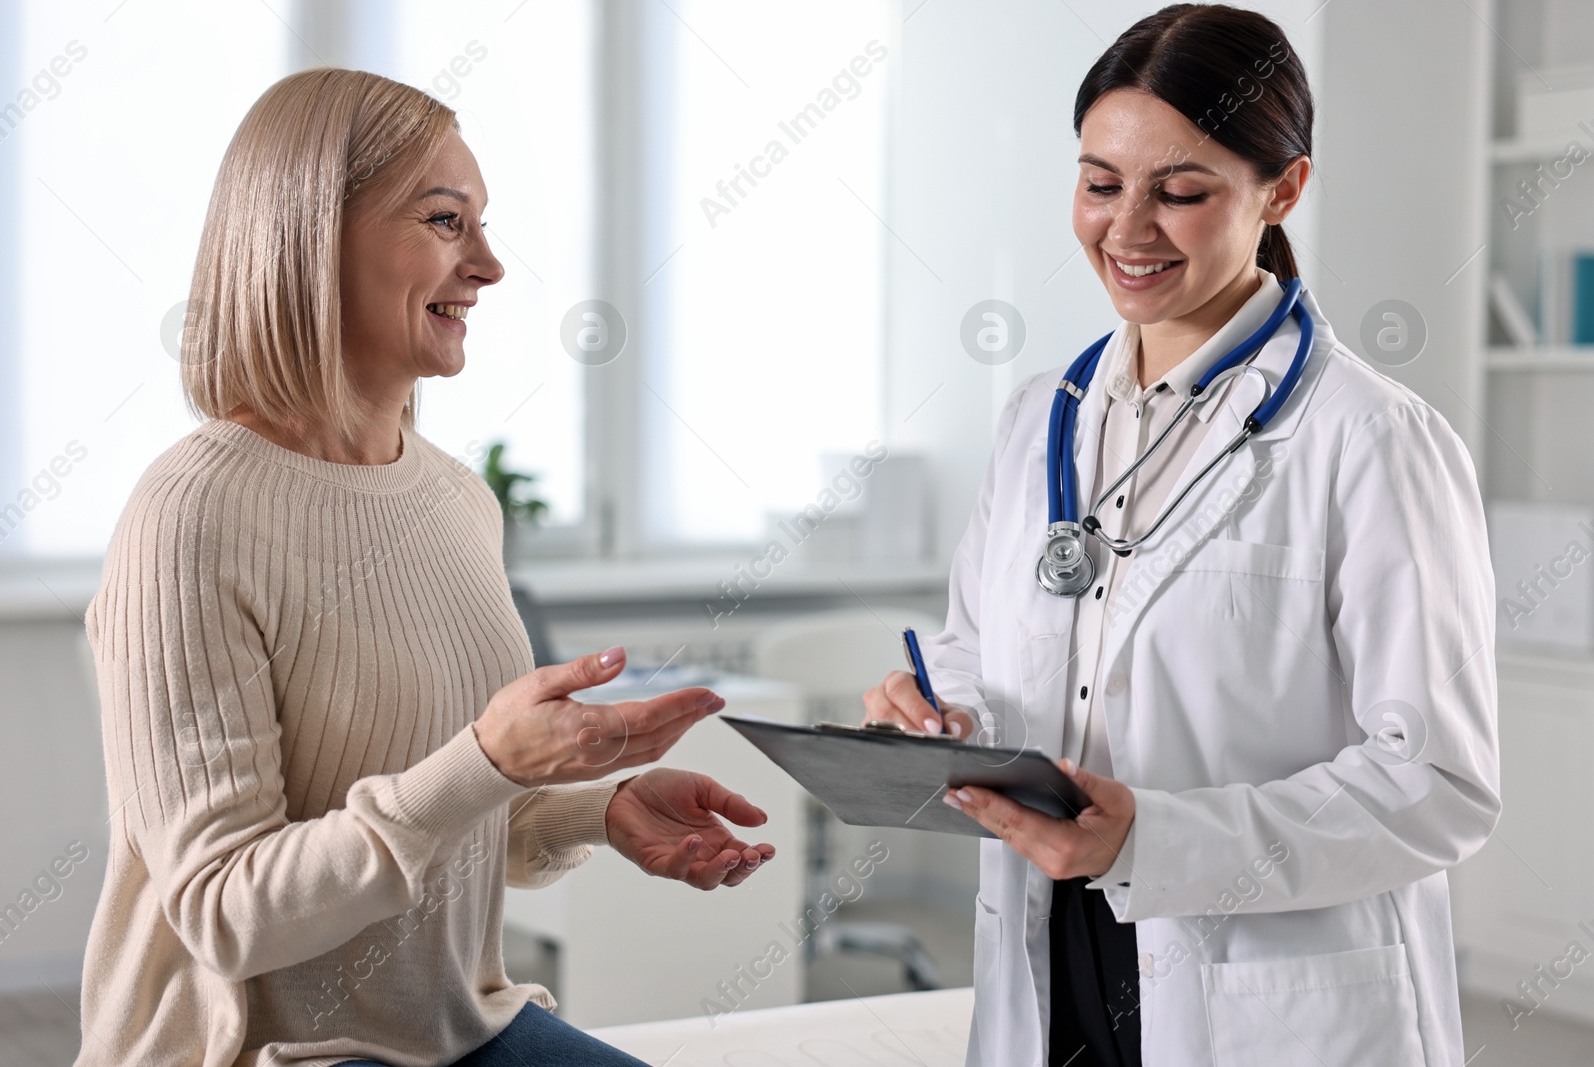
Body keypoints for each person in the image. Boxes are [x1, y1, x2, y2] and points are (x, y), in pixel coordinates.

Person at [78, 68, 775, 1067]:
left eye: (481, 225)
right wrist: (487, 760)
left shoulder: (454, 498)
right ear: (311, 234)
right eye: (446, 221)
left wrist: (596, 808)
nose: (488, 266)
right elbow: (224, 911)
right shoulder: (190, 514)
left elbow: (443, 801)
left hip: (452, 1026)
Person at [863, 6, 1499, 1065]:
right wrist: (940, 713)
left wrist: (1156, 839)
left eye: (1182, 190)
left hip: (1261, 981)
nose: (1127, 228)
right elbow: (983, 647)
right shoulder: (1038, 419)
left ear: (1282, 190)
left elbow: (1437, 783)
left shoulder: (1370, 437)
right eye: (1100, 182)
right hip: (1050, 949)